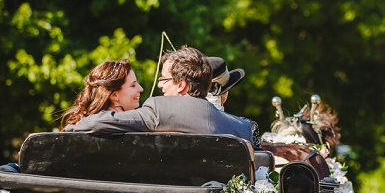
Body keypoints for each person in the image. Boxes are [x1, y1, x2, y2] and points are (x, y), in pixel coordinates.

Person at [64, 46, 257, 146]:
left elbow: (96, 123)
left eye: (163, 79)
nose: (159, 85)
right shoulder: (241, 127)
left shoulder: (160, 110)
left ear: (181, 85)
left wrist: (72, 128)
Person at [60, 59, 143, 129]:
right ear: (114, 95)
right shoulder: (96, 124)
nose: (141, 89)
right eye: (133, 85)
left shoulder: (85, 126)